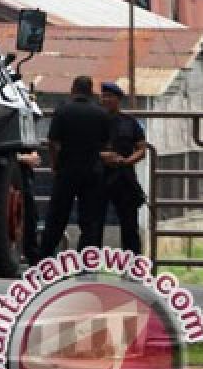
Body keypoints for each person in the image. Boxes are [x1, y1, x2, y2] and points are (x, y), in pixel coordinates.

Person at [38, 76, 111, 257]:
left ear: (73, 89)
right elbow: (105, 143)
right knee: (90, 220)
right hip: (92, 170)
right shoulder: (101, 114)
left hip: (67, 168)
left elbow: (53, 142)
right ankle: (85, 261)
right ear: (90, 90)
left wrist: (55, 163)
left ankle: (45, 258)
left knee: (57, 215)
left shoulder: (63, 111)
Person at [99, 82, 147, 254]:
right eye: (103, 96)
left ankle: (133, 264)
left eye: (110, 97)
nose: (106, 100)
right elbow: (84, 147)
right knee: (94, 225)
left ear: (118, 100)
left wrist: (126, 161)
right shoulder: (94, 121)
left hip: (124, 177)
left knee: (129, 225)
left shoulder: (130, 122)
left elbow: (142, 149)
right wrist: (103, 156)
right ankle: (88, 266)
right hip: (99, 176)